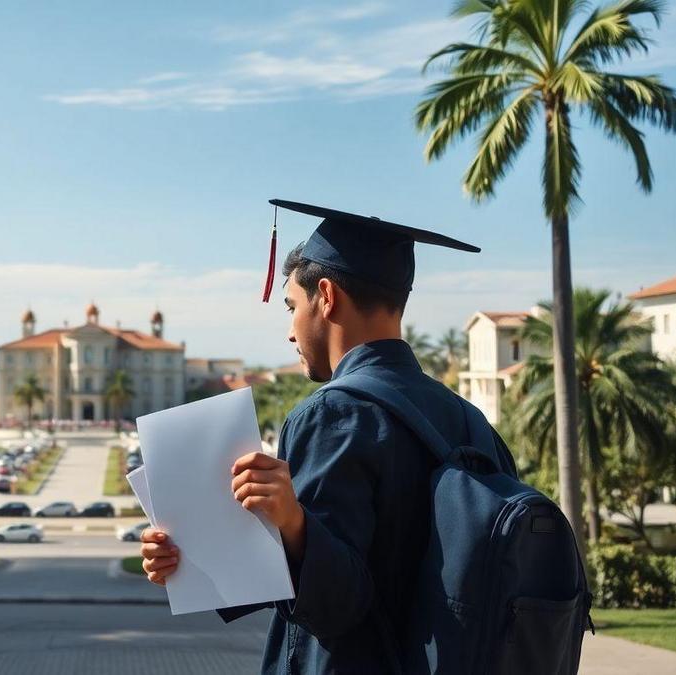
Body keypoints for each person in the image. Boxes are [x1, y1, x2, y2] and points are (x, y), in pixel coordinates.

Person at [139, 200, 516, 674]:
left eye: (292, 306)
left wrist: (294, 524)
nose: (290, 332)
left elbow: (338, 605)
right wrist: (189, 558)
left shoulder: (333, 413)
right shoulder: (471, 421)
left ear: (326, 295)